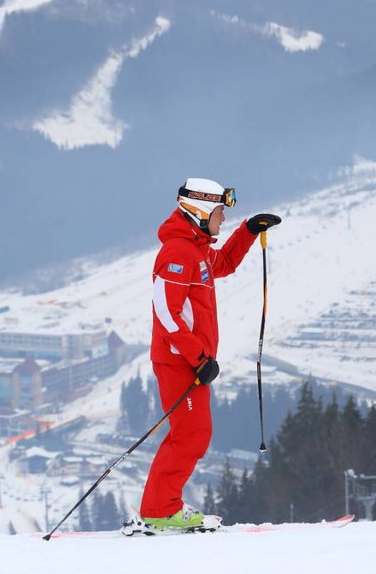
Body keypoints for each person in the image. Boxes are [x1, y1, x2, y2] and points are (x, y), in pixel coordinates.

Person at [140, 177, 281, 530]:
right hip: (179, 361)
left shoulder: (198, 249)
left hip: (191, 361)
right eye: (219, 211)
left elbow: (226, 263)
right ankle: (159, 511)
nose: (223, 218)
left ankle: (161, 508)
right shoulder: (178, 252)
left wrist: (249, 231)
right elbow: (166, 312)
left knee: (194, 435)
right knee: (190, 436)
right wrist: (199, 358)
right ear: (200, 211)